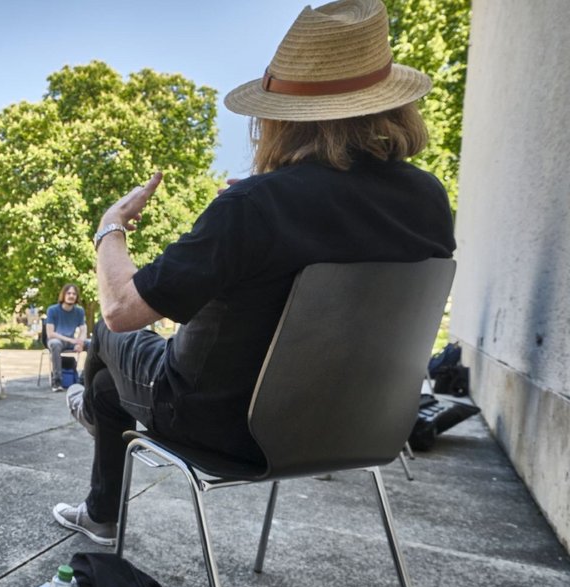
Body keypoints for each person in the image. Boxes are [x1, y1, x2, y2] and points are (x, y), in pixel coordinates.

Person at [53, 0, 456, 545]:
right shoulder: (429, 200)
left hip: (228, 428)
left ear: (281, 119)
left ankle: (89, 415)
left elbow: (123, 309)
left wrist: (110, 228)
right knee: (107, 389)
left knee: (104, 340)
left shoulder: (257, 206)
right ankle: (99, 475)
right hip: (354, 428)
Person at [45, 283, 91, 392]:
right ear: (63, 295)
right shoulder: (52, 310)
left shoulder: (79, 311)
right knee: (55, 343)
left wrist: (80, 343)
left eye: (74, 294)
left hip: (72, 341)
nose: (71, 296)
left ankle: (83, 379)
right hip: (57, 340)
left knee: (92, 343)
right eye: (68, 293)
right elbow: (50, 333)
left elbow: (83, 329)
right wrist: (71, 340)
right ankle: (57, 381)